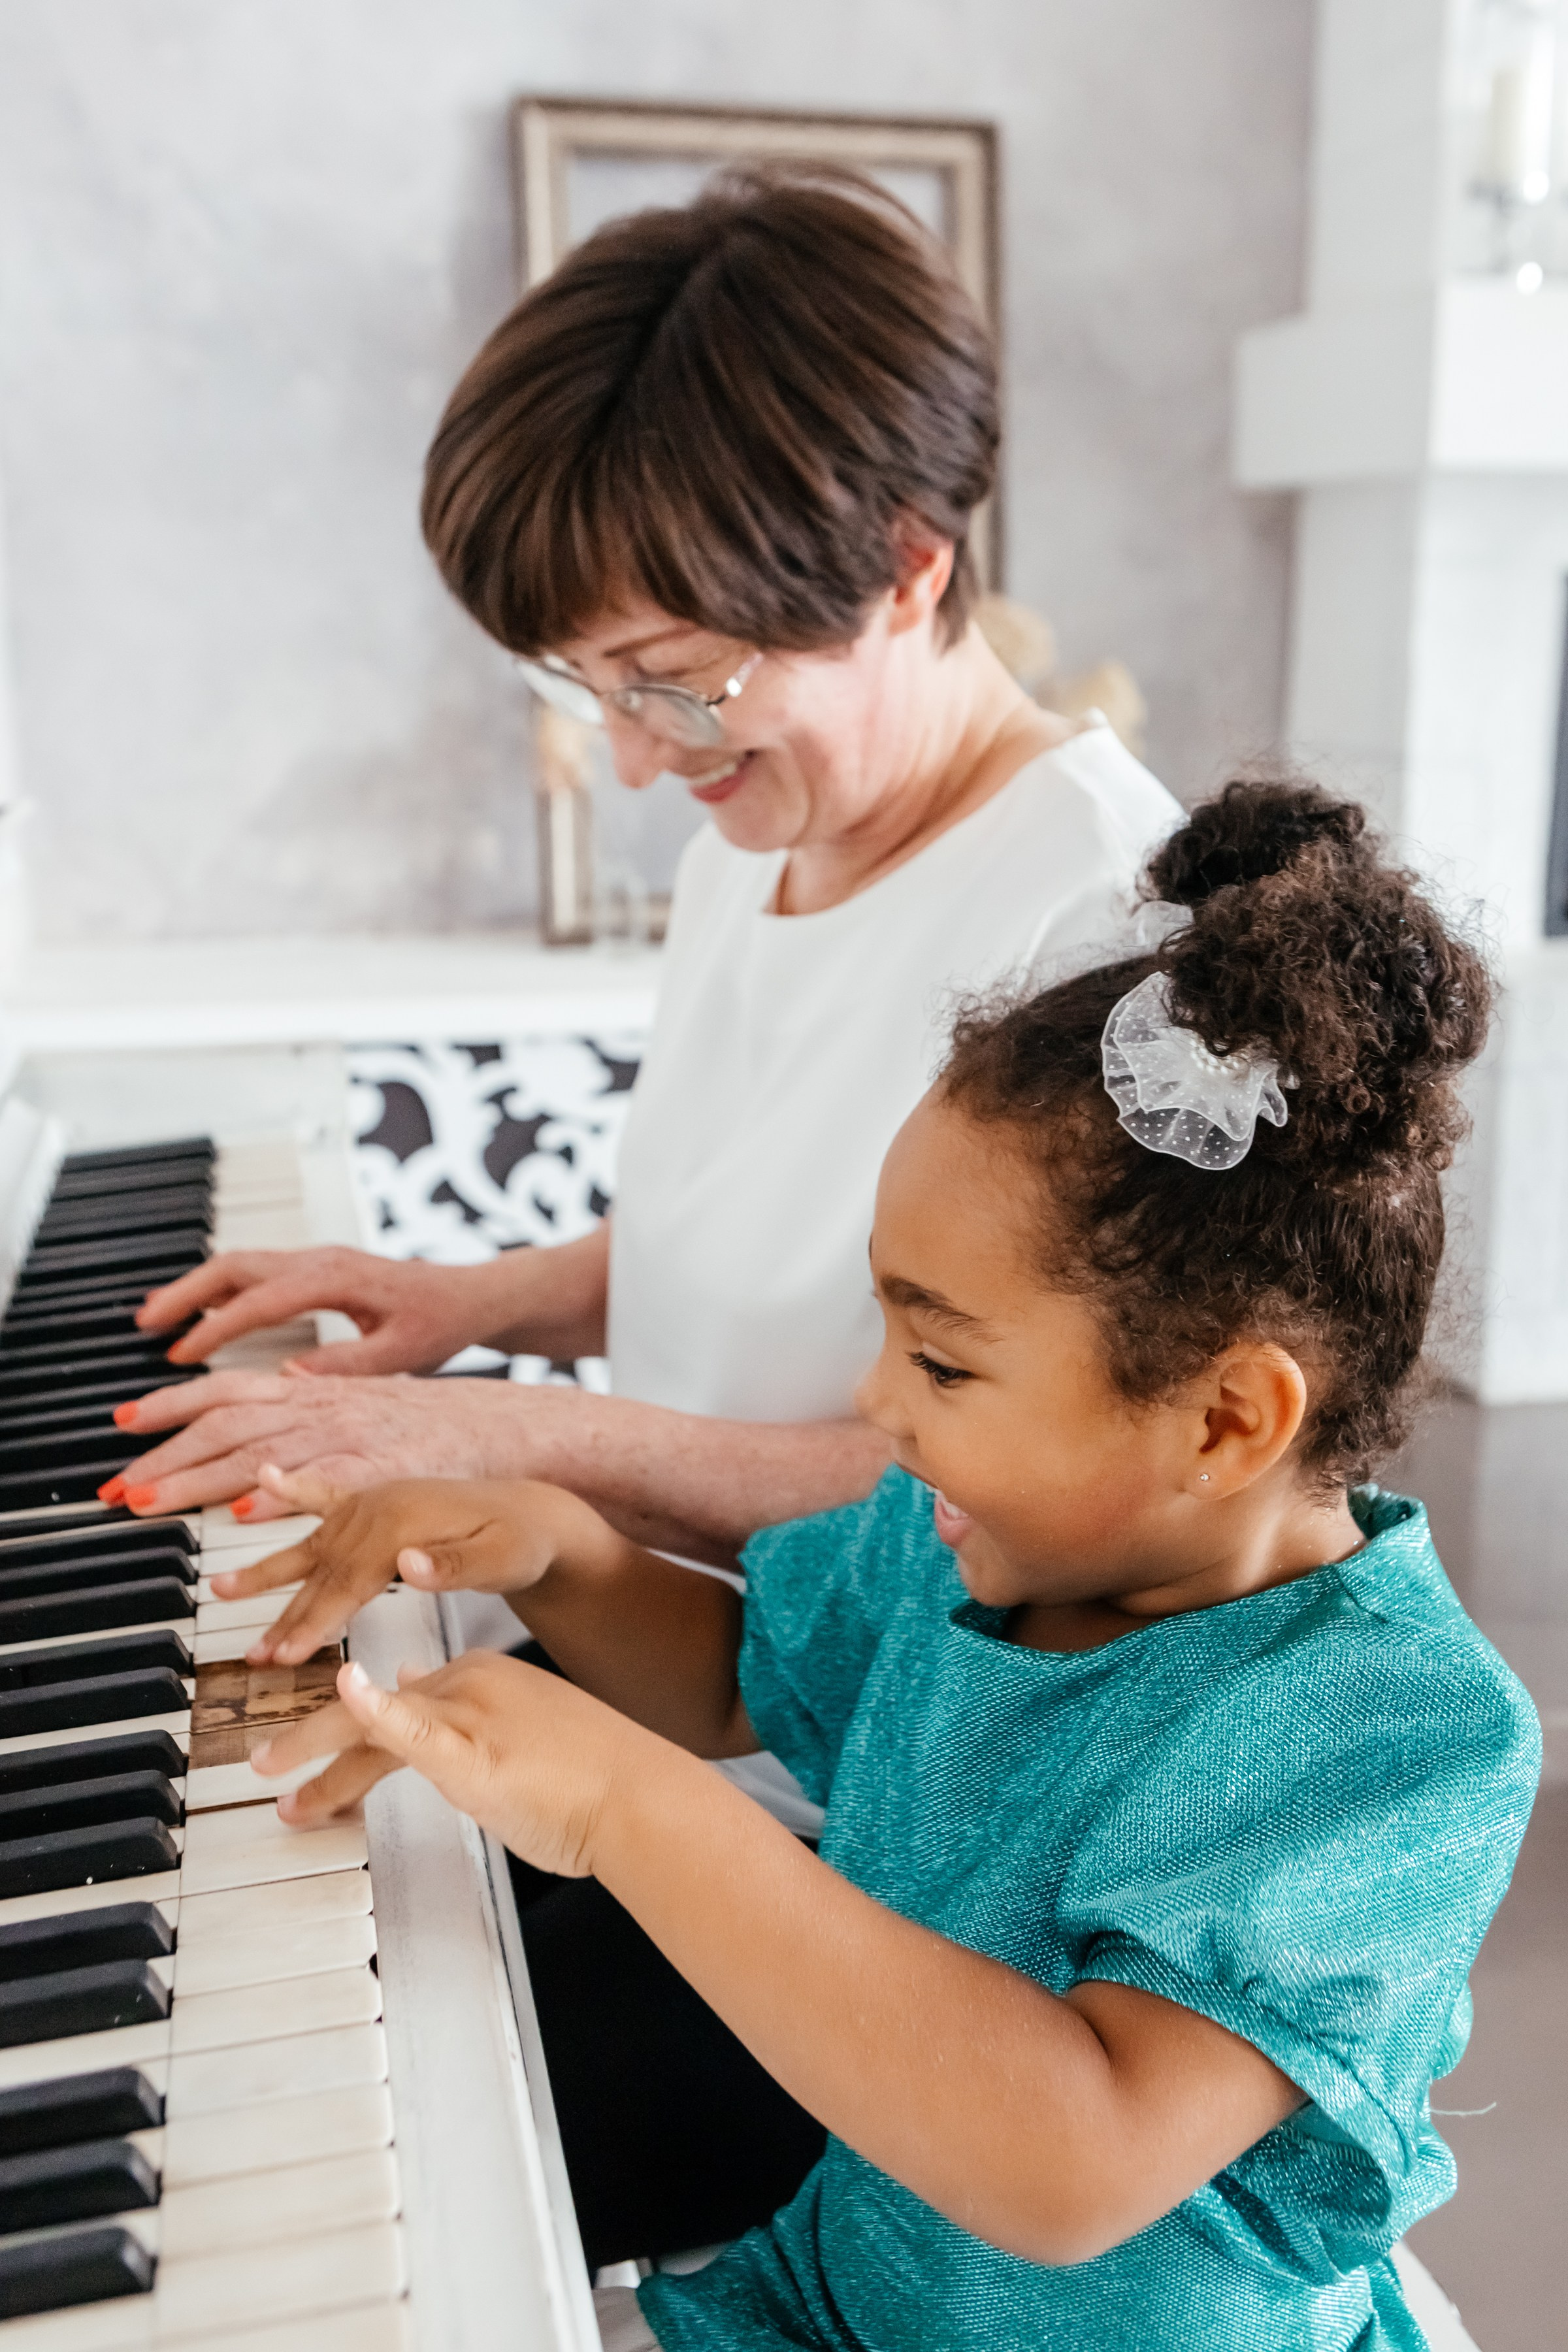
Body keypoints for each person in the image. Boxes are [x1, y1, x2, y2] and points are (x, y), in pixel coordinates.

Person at [243, 781, 1539, 2351]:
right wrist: (562, 1552)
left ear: (1224, 1414)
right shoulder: (969, 1549)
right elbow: (738, 1678)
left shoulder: (1396, 1733)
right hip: (833, 2297)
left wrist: (626, 1810)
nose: (876, 1405)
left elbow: (1076, 2161)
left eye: (942, 1361)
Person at [105, 165, 1178, 1574]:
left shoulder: (1111, 927)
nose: (630, 762)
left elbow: (1027, 1492)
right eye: (581, 687)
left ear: (907, 568)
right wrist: (459, 1303)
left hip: (833, 1754)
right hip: (652, 1650)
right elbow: (735, 1261)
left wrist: (505, 1436)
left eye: (674, 684)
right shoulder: (761, 835)